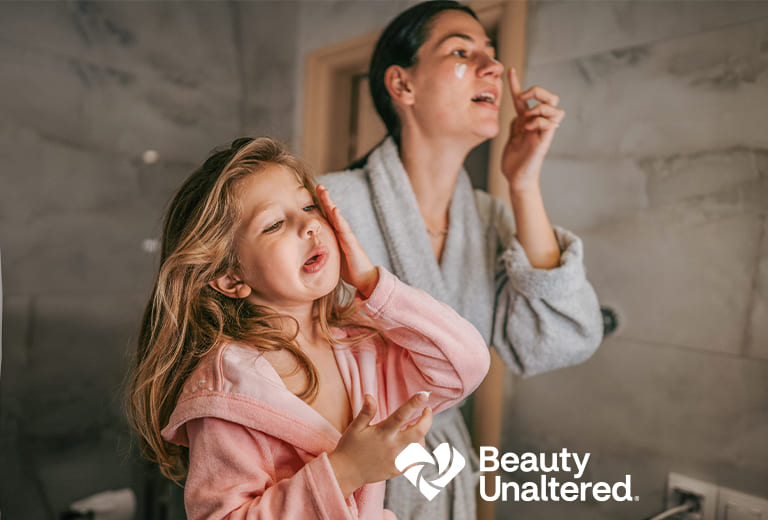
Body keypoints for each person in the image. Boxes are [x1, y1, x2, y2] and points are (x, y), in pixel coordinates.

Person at [318, 1, 604, 519]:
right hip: (336, 479)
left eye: (491, 56)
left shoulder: (489, 220)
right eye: (461, 51)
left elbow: (555, 341)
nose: (492, 67)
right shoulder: (327, 206)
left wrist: (524, 184)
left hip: (438, 484)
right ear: (402, 86)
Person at [125, 136, 490, 519]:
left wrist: (372, 284)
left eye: (308, 205)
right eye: (275, 224)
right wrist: (345, 470)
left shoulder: (359, 345)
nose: (309, 224)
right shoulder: (229, 392)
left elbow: (464, 365)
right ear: (231, 277)